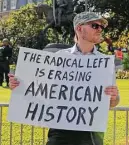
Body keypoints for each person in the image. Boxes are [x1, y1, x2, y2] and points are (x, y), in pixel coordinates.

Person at [8, 12, 119, 145]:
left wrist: (113, 98)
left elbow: (113, 102)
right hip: (60, 131)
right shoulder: (59, 57)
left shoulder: (104, 62)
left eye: (102, 27)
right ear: (79, 28)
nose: (100, 29)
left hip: (90, 134)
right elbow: (43, 91)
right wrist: (19, 86)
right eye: (95, 26)